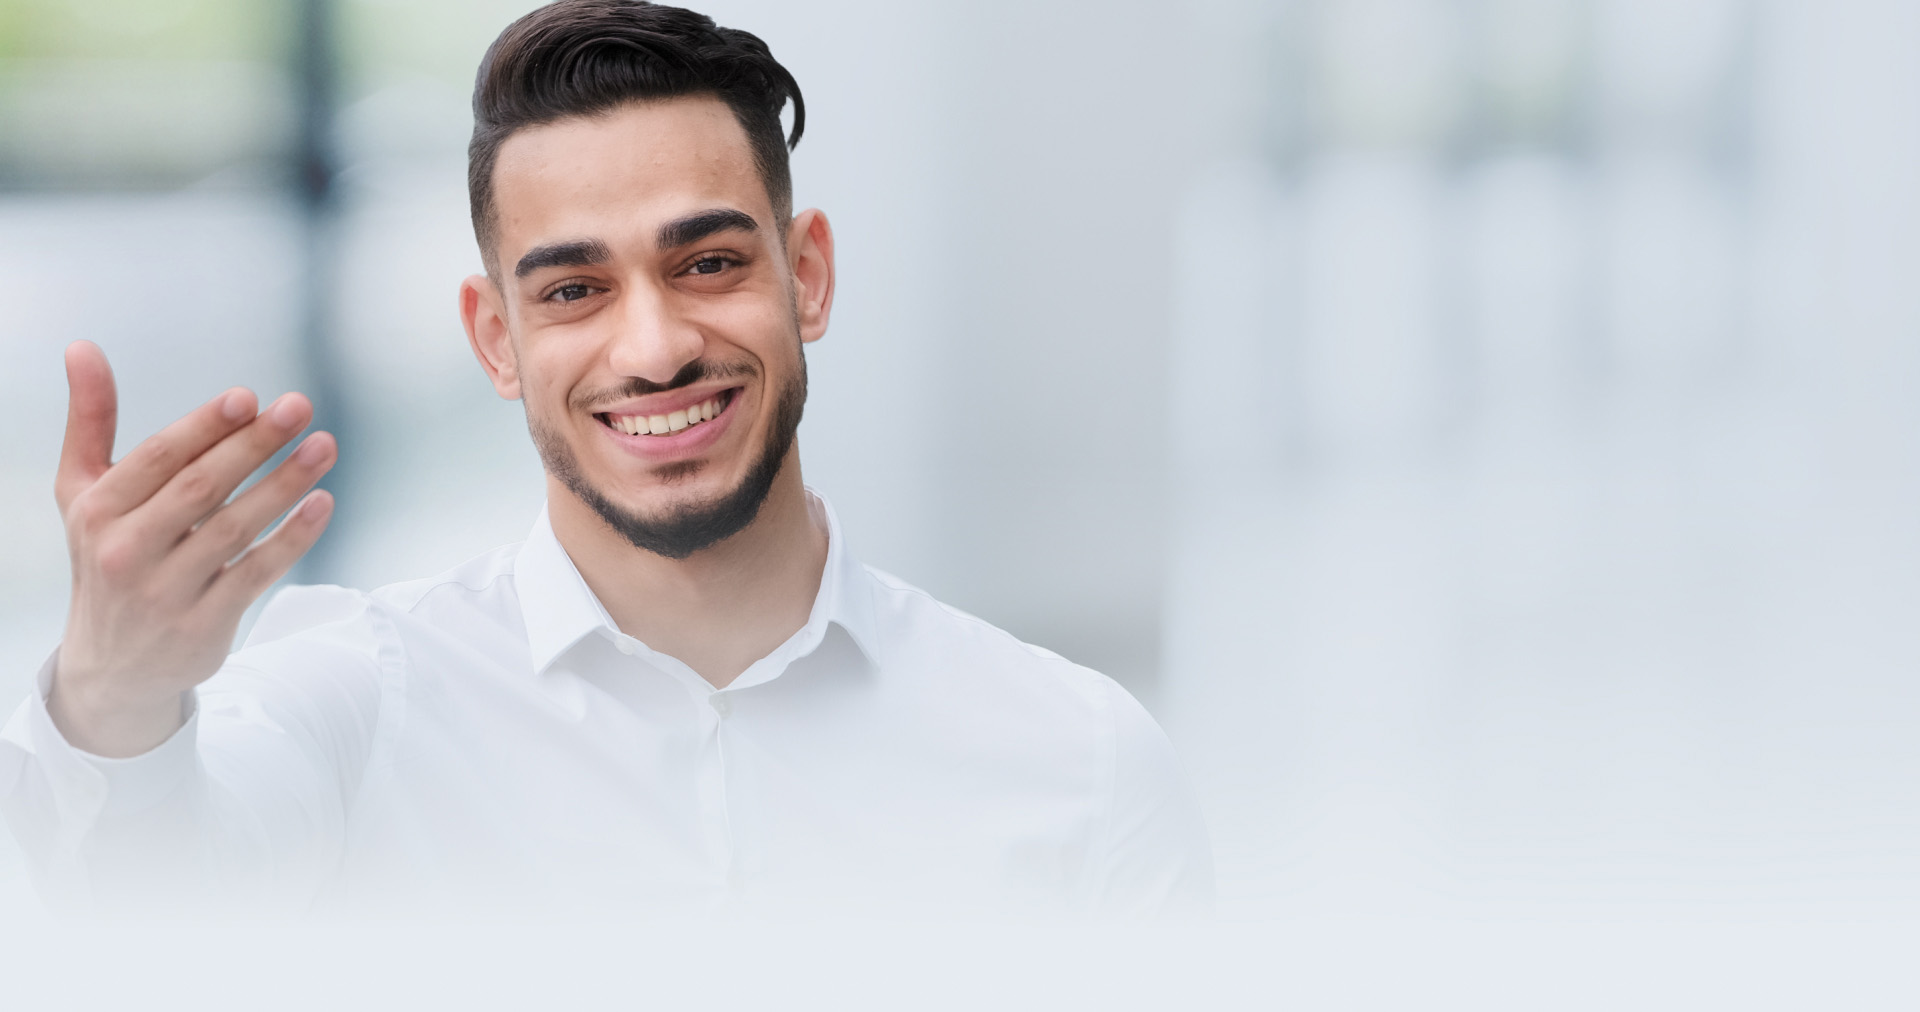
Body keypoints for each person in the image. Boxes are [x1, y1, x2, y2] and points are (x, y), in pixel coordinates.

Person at [0, 0, 1210, 917]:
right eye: (575, 288)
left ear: (810, 276)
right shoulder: (358, 704)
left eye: (710, 263)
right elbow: (150, 906)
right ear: (496, 339)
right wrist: (116, 698)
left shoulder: (1080, 759)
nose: (655, 346)